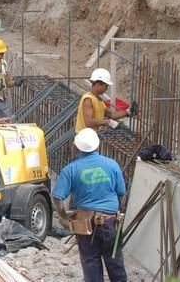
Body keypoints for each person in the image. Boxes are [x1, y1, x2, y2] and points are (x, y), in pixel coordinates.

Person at [52, 128, 127, 282]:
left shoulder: (71, 169)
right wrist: (115, 210)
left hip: (84, 223)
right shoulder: (112, 165)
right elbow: (121, 192)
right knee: (115, 261)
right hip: (110, 221)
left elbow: (57, 197)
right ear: (97, 146)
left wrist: (63, 215)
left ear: (76, 147)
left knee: (90, 262)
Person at [75, 68, 132, 133]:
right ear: (98, 84)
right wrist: (108, 122)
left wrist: (128, 112)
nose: (106, 88)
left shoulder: (99, 101)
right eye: (106, 86)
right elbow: (89, 122)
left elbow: (112, 115)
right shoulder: (88, 99)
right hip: (84, 139)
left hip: (92, 137)